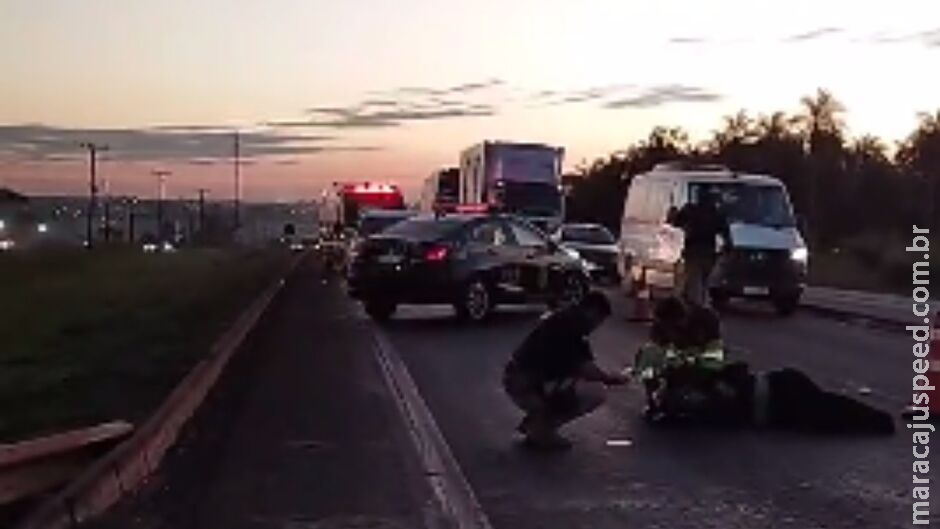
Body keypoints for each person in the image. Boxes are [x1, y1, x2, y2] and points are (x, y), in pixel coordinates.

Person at [504, 291, 630, 450]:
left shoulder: (569, 321)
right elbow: (585, 369)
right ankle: (541, 427)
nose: (597, 327)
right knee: (594, 392)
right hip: (524, 381)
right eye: (599, 320)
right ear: (592, 312)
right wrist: (610, 379)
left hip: (522, 377)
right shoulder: (571, 326)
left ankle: (537, 421)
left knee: (578, 383)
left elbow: (584, 362)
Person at [668, 187, 732, 307]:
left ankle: (696, 308)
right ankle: (703, 305)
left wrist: (673, 214)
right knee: (704, 283)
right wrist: (727, 248)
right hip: (708, 253)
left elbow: (676, 222)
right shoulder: (715, 213)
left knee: (694, 283)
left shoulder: (691, 210)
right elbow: (725, 233)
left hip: (693, 252)